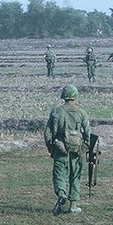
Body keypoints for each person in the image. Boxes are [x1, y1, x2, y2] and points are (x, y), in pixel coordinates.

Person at [43, 85, 90, 216]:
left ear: (63, 96)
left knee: (59, 174)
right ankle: (73, 205)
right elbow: (88, 134)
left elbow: (47, 133)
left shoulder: (57, 112)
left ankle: (61, 193)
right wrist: (84, 148)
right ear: (75, 96)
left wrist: (51, 148)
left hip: (60, 148)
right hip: (77, 149)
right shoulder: (82, 113)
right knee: (75, 176)